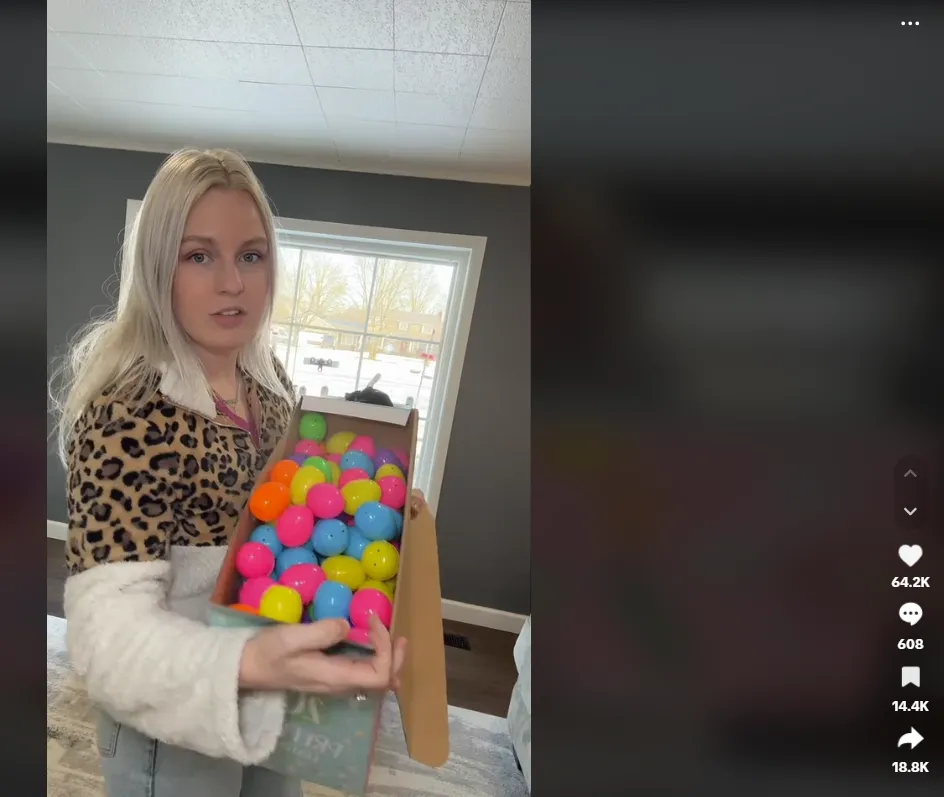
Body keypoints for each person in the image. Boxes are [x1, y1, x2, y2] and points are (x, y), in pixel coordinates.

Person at [49, 148, 407, 797]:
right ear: (158, 266)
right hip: (170, 718)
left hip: (272, 691)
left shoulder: (272, 390)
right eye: (198, 255)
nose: (232, 283)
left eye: (251, 255)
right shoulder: (128, 413)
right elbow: (105, 640)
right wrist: (245, 660)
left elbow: (293, 525)